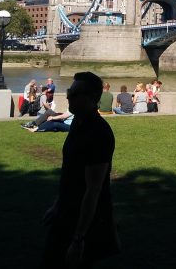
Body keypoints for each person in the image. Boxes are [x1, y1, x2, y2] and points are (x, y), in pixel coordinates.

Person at [40, 71, 118, 268]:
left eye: (74, 94)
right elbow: (71, 173)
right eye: (68, 92)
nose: (68, 97)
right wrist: (58, 203)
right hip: (67, 208)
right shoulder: (78, 122)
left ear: (91, 98)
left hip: (84, 220)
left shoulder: (99, 132)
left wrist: (78, 239)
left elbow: (93, 189)